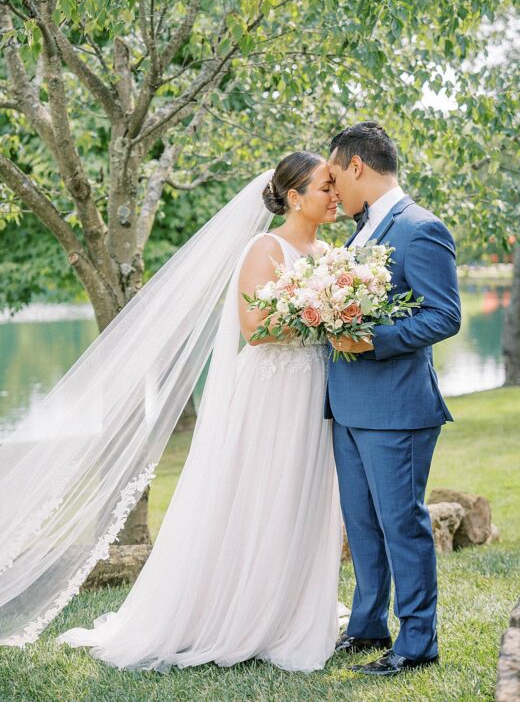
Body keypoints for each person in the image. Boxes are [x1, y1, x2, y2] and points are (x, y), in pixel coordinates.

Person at [49, 152, 346, 670]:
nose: (335, 194)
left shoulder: (329, 253)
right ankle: (236, 611)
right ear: (294, 196)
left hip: (313, 391)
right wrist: (324, 318)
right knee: (261, 491)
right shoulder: (265, 248)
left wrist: (338, 311)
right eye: (326, 186)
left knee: (303, 489)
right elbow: (255, 328)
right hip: (272, 393)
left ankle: (291, 607)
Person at [323, 122, 461, 677]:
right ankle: (366, 627)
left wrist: (372, 341)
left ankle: (418, 642)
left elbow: (444, 315)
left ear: (356, 166)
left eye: (334, 176)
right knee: (361, 525)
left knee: (401, 523)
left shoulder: (420, 229)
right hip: (349, 407)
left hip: (397, 409)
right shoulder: (359, 234)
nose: (333, 190)